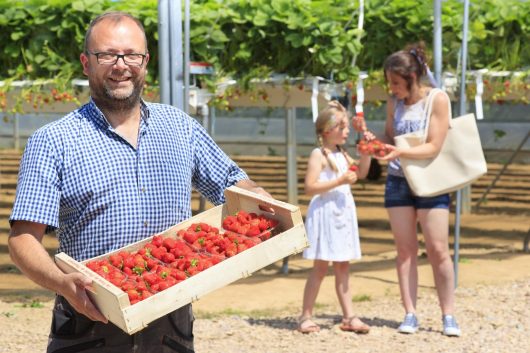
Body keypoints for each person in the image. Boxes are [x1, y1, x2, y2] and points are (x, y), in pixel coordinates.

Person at [8, 11, 273, 353]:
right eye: (107, 55)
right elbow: (22, 239)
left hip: (171, 316)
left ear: (145, 62)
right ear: (86, 63)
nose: (121, 65)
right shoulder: (53, 141)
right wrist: (61, 283)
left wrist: (261, 199)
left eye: (131, 54)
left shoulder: (179, 127)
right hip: (90, 317)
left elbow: (232, 183)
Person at [375, 42, 461, 337]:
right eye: (390, 83)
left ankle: (448, 313)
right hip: (399, 181)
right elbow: (390, 134)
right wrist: (373, 142)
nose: (393, 88)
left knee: (438, 249)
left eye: (397, 83)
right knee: (405, 250)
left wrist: (396, 152)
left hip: (431, 181)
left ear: (412, 79)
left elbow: (434, 146)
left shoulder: (437, 99)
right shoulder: (393, 101)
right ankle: (410, 312)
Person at [298, 101, 372, 334]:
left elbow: (361, 173)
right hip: (326, 212)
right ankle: (305, 316)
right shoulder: (318, 154)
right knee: (320, 267)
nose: (347, 131)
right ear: (327, 130)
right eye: (342, 127)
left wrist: (366, 154)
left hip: (342, 211)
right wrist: (339, 182)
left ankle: (349, 316)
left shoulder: (343, 153)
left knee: (343, 265)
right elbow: (310, 187)